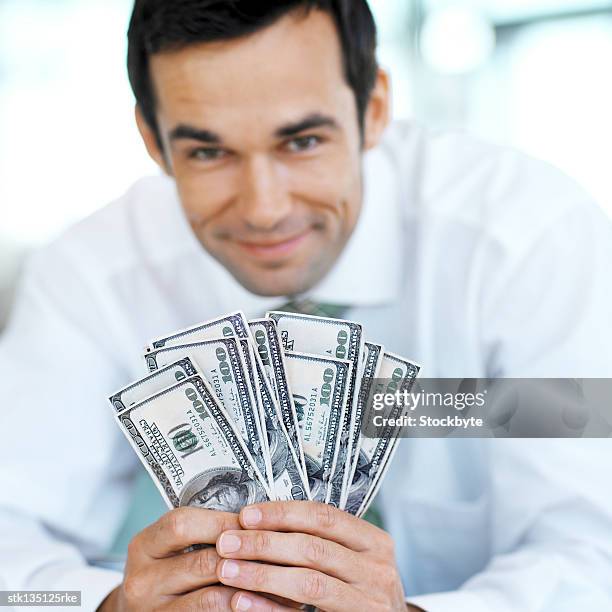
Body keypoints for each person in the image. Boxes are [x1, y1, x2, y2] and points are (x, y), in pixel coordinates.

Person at [1, 1, 611, 610]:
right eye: (208, 153)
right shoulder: (92, 274)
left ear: (373, 111)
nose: (264, 209)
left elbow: (593, 554)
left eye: (303, 141)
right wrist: (108, 606)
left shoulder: (528, 241)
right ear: (152, 141)